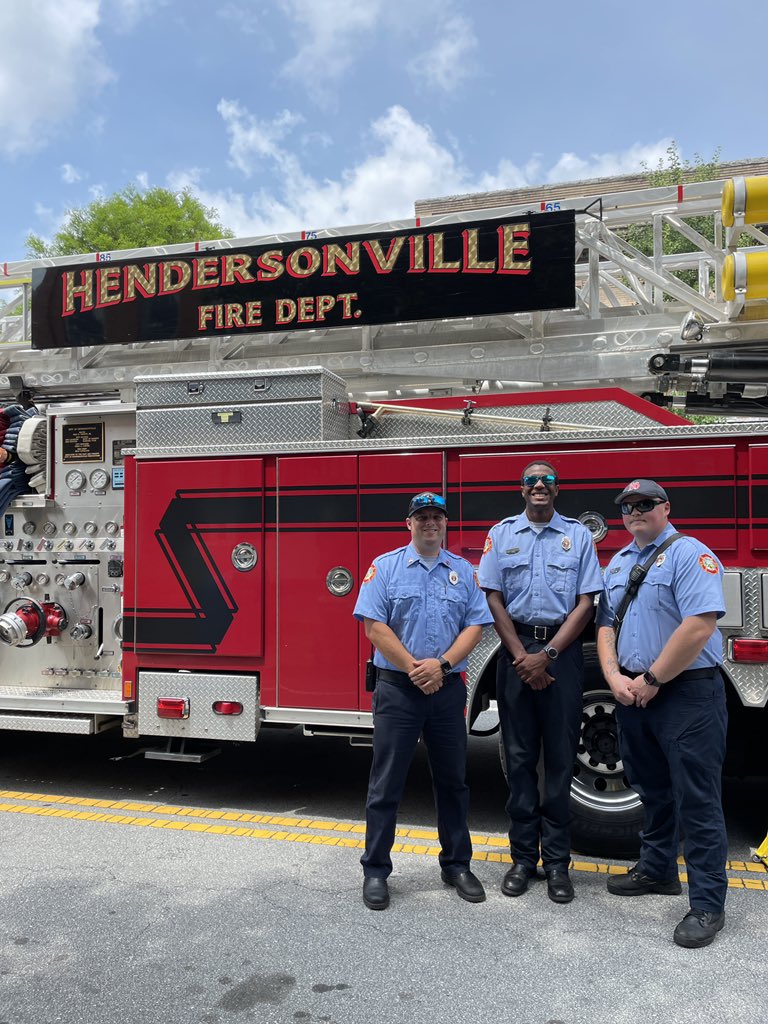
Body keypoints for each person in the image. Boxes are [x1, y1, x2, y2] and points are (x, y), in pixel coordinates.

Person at [596, 479, 728, 949]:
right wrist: (613, 677)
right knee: (651, 789)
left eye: (645, 504)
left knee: (697, 799)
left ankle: (708, 903)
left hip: (685, 695)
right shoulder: (618, 562)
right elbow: (607, 623)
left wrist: (652, 680)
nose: (635, 511)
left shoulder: (690, 553)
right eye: (627, 506)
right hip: (633, 693)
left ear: (665, 507)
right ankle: (656, 871)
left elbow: (699, 625)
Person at [353, 491, 493, 910]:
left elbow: (476, 626)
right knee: (386, 784)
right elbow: (374, 627)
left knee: (453, 782)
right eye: (422, 517)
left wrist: (443, 667)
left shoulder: (464, 571)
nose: (430, 522)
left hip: (446, 690)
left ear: (445, 523)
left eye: (437, 516)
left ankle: (457, 865)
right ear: (408, 523)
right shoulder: (386, 567)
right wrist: (418, 668)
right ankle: (375, 870)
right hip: (399, 689)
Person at [477, 461, 602, 903]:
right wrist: (520, 657)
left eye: (546, 480)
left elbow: (587, 602)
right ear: (521, 490)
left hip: (561, 655)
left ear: (556, 489)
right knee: (520, 758)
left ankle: (558, 865)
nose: (538, 486)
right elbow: (492, 596)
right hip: (515, 652)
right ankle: (523, 860)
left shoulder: (579, 536)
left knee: (562, 762)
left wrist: (546, 656)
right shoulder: (501, 534)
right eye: (531, 480)